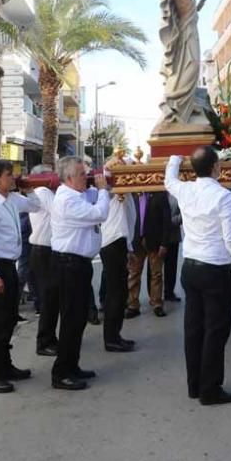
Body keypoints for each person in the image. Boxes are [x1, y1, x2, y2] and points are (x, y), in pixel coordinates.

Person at [166, 147, 231, 405]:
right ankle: (210, 389)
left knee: (193, 329)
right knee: (215, 331)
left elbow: (169, 180)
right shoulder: (223, 196)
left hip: (190, 267)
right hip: (215, 270)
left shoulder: (185, 189)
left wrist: (174, 159)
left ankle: (195, 385)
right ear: (216, 167)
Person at [0, 159, 43, 394]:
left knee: (11, 317)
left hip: (8, 265)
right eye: (9, 175)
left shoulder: (11, 199)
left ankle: (5, 365)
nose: (13, 178)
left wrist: (29, 188)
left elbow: (36, 206)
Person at [50, 156, 110, 391]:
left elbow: (95, 196)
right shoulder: (67, 200)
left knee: (78, 321)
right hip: (69, 266)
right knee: (71, 320)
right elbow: (100, 213)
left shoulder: (78, 194)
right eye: (82, 174)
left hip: (78, 265)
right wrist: (104, 190)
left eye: (86, 173)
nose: (87, 177)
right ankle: (61, 373)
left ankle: (71, 366)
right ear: (68, 179)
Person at [99, 175, 136, 352]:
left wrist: (129, 248)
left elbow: (127, 223)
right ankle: (111, 339)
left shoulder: (126, 195)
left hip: (119, 242)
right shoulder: (112, 193)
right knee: (115, 294)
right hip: (112, 243)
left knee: (120, 293)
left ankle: (115, 335)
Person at [26, 165, 58, 356]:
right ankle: (44, 341)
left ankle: (50, 338)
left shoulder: (44, 193)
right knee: (48, 299)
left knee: (51, 298)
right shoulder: (44, 192)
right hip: (44, 251)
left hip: (44, 251)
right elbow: (60, 212)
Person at [126, 191, 172, 318]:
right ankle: (133, 305)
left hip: (154, 241)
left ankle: (157, 303)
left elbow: (166, 220)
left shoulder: (160, 194)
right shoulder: (132, 195)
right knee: (133, 274)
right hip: (136, 240)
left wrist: (164, 243)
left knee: (156, 273)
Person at [162, 193, 182, 302]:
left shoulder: (177, 195)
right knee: (154, 268)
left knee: (171, 266)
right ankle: (154, 294)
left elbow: (183, 214)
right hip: (158, 236)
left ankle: (169, 292)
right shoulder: (157, 193)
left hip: (172, 235)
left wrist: (168, 222)